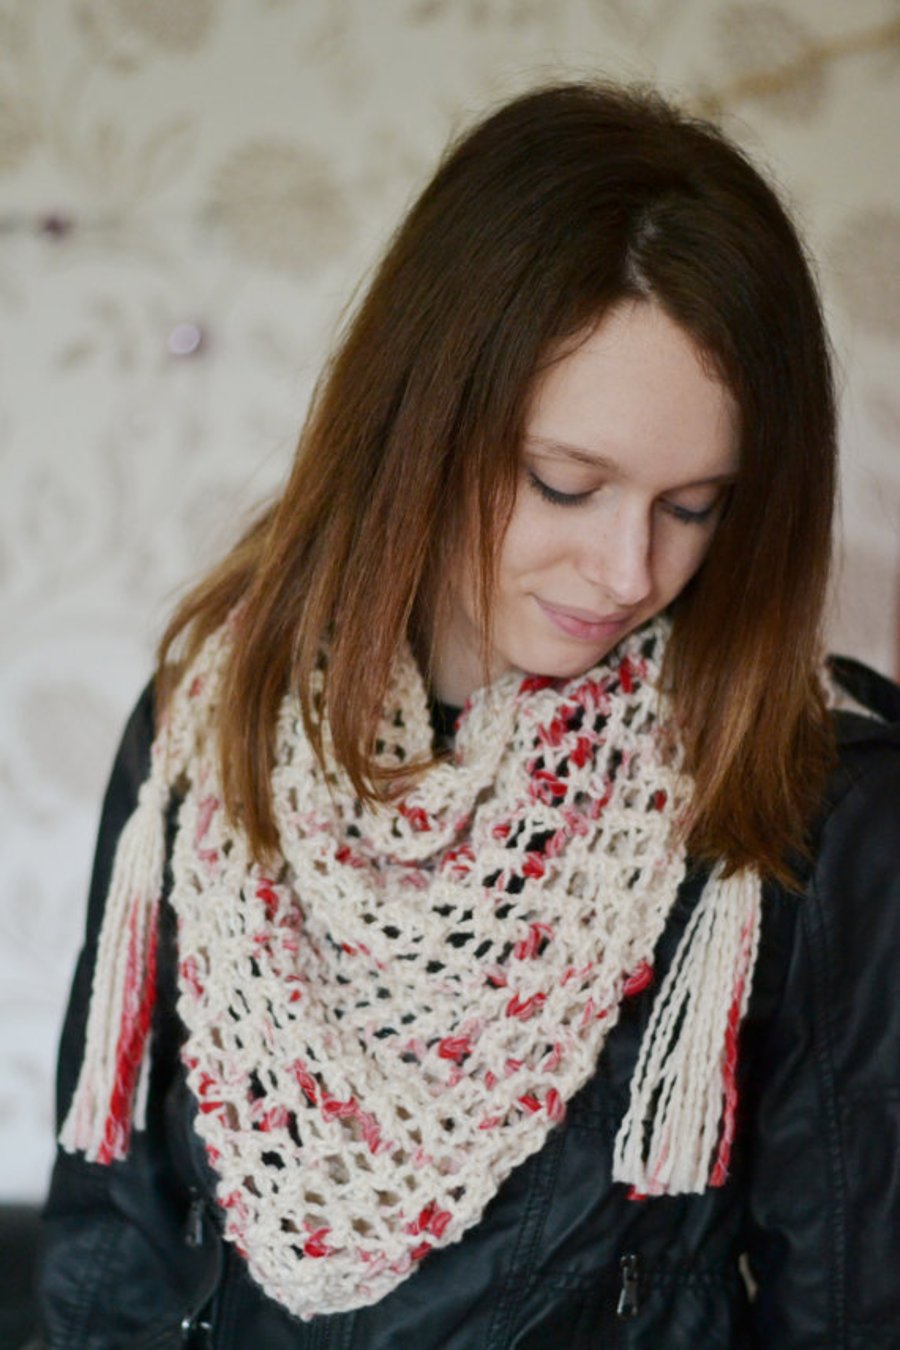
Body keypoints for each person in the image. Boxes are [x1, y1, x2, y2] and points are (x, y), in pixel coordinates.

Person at [37, 81, 900, 1348]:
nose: (628, 570)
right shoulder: (209, 723)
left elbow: (852, 1311)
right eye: (565, 483)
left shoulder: (805, 797)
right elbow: (113, 1244)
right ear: (424, 419)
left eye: (695, 505)